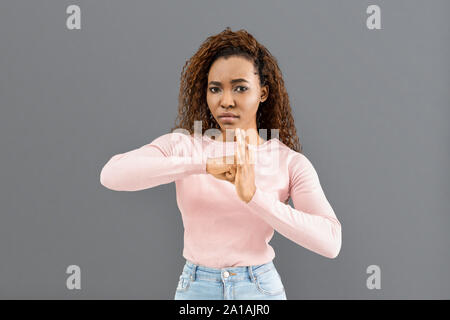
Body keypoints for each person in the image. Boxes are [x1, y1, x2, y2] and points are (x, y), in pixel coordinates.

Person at [99, 27, 342, 300]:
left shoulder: (288, 162)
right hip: (196, 288)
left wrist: (254, 197)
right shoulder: (185, 147)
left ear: (262, 93)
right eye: (215, 89)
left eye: (240, 88)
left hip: (259, 290)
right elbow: (112, 175)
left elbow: (330, 242)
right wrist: (203, 164)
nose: (226, 101)